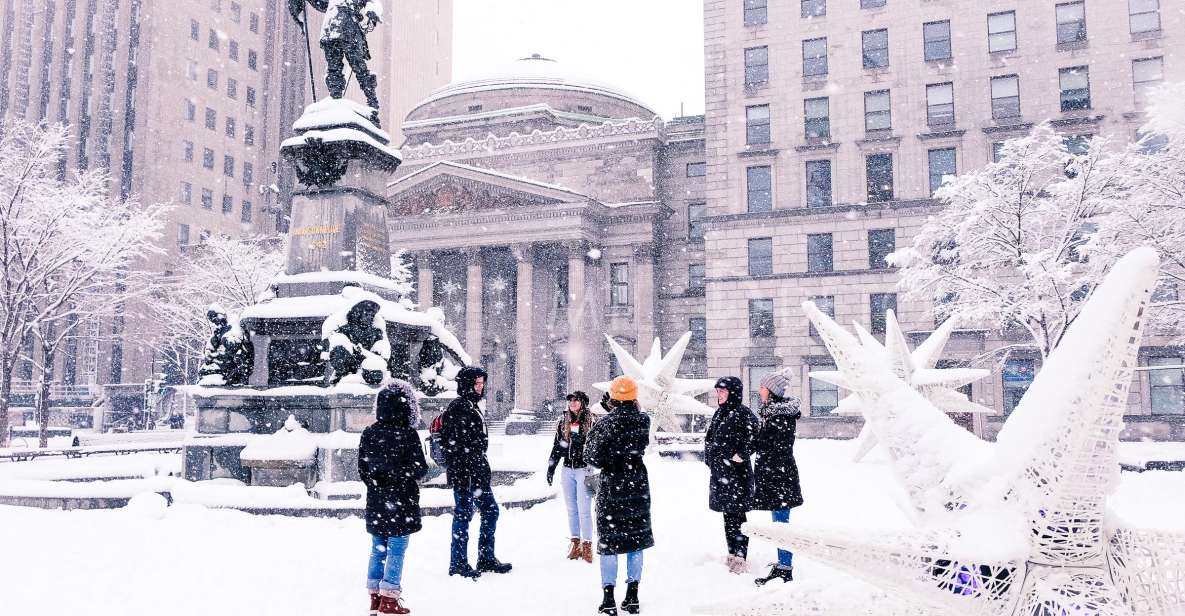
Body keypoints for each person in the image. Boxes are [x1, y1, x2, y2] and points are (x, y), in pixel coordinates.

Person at [359, 379, 429, 615]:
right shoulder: (408, 434)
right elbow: (419, 468)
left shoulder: (369, 433)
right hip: (402, 500)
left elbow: (363, 469)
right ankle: (390, 597)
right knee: (397, 547)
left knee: (378, 547)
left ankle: (375, 596)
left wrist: (379, 481)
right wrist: (401, 476)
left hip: (377, 500)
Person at [585, 376, 653, 615]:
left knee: (609, 544)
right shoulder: (643, 421)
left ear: (612, 397)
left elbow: (590, 455)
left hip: (613, 486)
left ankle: (609, 599)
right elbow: (637, 426)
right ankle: (632, 596)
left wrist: (606, 411)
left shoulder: (605, 424)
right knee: (636, 541)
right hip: (637, 486)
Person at [439, 365, 512, 579]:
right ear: (467, 384)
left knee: (490, 512)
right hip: (467, 474)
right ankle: (459, 562)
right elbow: (456, 445)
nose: (481, 387)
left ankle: (485, 557)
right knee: (463, 515)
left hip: (476, 473)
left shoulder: (470, 406)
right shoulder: (460, 407)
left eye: (482, 383)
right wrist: (469, 467)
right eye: (477, 383)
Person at [752, 369, 804, 586]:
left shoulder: (778, 416)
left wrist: (752, 441)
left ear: (771, 391)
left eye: (762, 387)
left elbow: (771, 446)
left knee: (781, 524)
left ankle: (785, 569)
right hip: (777, 475)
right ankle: (783, 564)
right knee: (779, 522)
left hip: (779, 477)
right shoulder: (772, 413)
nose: (759, 390)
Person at [704, 376, 759, 575]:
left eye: (723, 391)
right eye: (718, 391)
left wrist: (741, 454)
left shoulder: (743, 413)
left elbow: (755, 436)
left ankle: (740, 556)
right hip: (721, 474)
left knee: (738, 516)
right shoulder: (720, 413)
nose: (719, 395)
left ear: (733, 393)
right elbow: (710, 438)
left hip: (738, 475)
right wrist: (709, 458)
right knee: (728, 516)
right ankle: (731, 554)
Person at [546, 390, 596, 563]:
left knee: (584, 509)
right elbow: (556, 446)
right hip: (567, 469)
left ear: (583, 403)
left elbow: (598, 446)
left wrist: (582, 444)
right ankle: (575, 544)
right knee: (571, 509)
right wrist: (551, 468)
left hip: (584, 469)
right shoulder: (562, 422)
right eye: (570, 400)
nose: (572, 403)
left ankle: (587, 545)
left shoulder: (591, 421)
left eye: (576, 400)